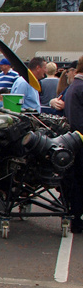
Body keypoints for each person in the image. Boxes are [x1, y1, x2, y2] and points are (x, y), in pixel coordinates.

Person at [59, 57, 83, 234]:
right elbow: (78, 122)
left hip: (74, 141)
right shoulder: (79, 88)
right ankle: (76, 218)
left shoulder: (73, 86)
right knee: (78, 182)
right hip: (79, 142)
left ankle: (74, 216)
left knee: (76, 182)